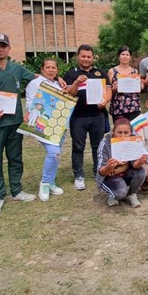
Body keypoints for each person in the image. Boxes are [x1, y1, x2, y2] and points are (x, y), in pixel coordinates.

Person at [0, 32, 38, 216]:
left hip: (15, 122)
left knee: (15, 158)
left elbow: (35, 78)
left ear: (9, 48)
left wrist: (55, 79)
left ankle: (17, 191)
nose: (1, 49)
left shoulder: (16, 68)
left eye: (4, 46)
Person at [64, 44, 112, 191]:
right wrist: (77, 82)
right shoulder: (71, 74)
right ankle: (79, 175)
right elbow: (69, 93)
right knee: (78, 146)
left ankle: (98, 171)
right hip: (78, 117)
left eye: (88, 56)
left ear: (92, 58)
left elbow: (109, 91)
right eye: (83, 56)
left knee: (98, 146)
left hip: (97, 116)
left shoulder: (100, 72)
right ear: (78, 57)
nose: (86, 59)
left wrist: (105, 101)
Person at [24, 57, 67, 201]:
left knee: (57, 154)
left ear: (57, 70)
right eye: (47, 67)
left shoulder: (59, 84)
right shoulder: (34, 83)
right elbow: (30, 103)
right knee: (54, 152)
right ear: (42, 69)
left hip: (58, 125)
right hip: (42, 124)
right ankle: (45, 183)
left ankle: (51, 182)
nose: (51, 70)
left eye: (53, 68)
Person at [96, 118, 148, 208]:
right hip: (109, 176)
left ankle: (132, 194)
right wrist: (108, 166)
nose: (122, 136)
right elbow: (101, 172)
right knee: (120, 193)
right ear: (113, 131)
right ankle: (112, 194)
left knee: (141, 171)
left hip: (125, 173)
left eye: (126, 132)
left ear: (130, 132)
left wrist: (140, 161)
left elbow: (134, 165)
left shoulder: (133, 141)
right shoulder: (105, 143)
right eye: (119, 132)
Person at [108, 46, 142, 123]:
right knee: (120, 131)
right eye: (123, 54)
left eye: (127, 54)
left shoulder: (135, 71)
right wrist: (114, 88)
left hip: (133, 106)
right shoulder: (112, 71)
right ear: (118, 56)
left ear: (130, 57)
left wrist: (140, 86)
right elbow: (108, 91)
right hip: (118, 107)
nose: (125, 57)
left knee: (134, 131)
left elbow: (137, 90)